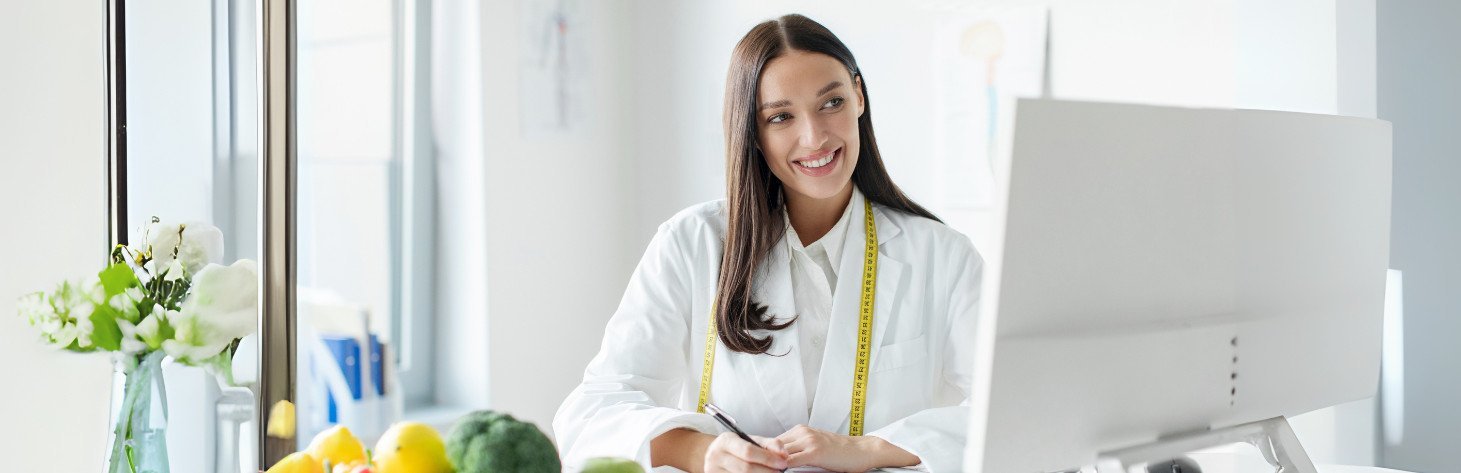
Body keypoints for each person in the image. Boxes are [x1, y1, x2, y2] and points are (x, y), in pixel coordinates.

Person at [553, 13, 983, 473]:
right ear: (752, 133)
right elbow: (592, 412)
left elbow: (1018, 413)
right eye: (780, 117)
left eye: (831, 102)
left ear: (858, 95)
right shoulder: (692, 244)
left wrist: (869, 449)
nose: (814, 137)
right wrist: (703, 452)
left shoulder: (942, 255)